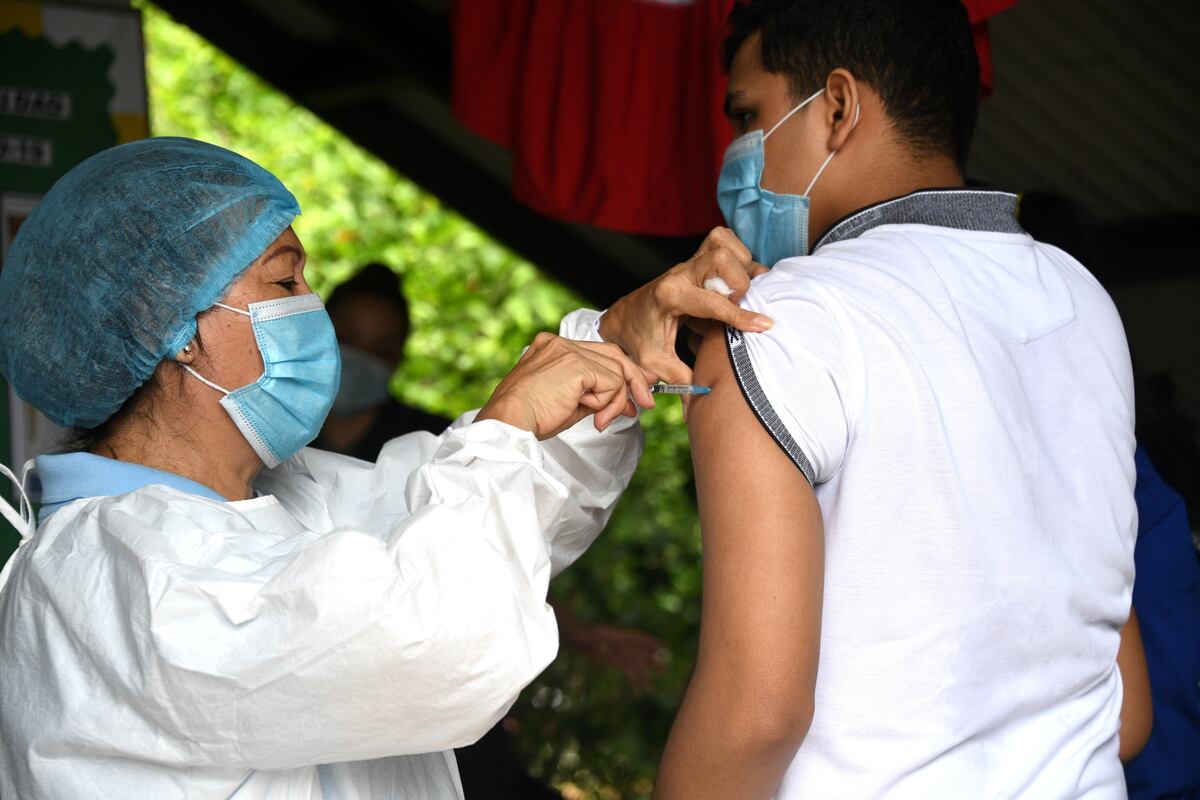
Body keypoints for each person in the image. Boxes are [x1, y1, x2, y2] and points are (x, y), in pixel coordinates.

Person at [0, 136, 764, 800]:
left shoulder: (282, 498)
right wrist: (505, 423)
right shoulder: (122, 575)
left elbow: (477, 521)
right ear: (170, 328)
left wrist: (612, 341)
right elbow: (439, 633)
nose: (312, 307)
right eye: (285, 280)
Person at [624, 2, 1152, 797]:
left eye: (749, 115)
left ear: (836, 106)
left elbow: (757, 713)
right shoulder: (1081, 304)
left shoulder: (775, 325)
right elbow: (1129, 710)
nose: (737, 155)